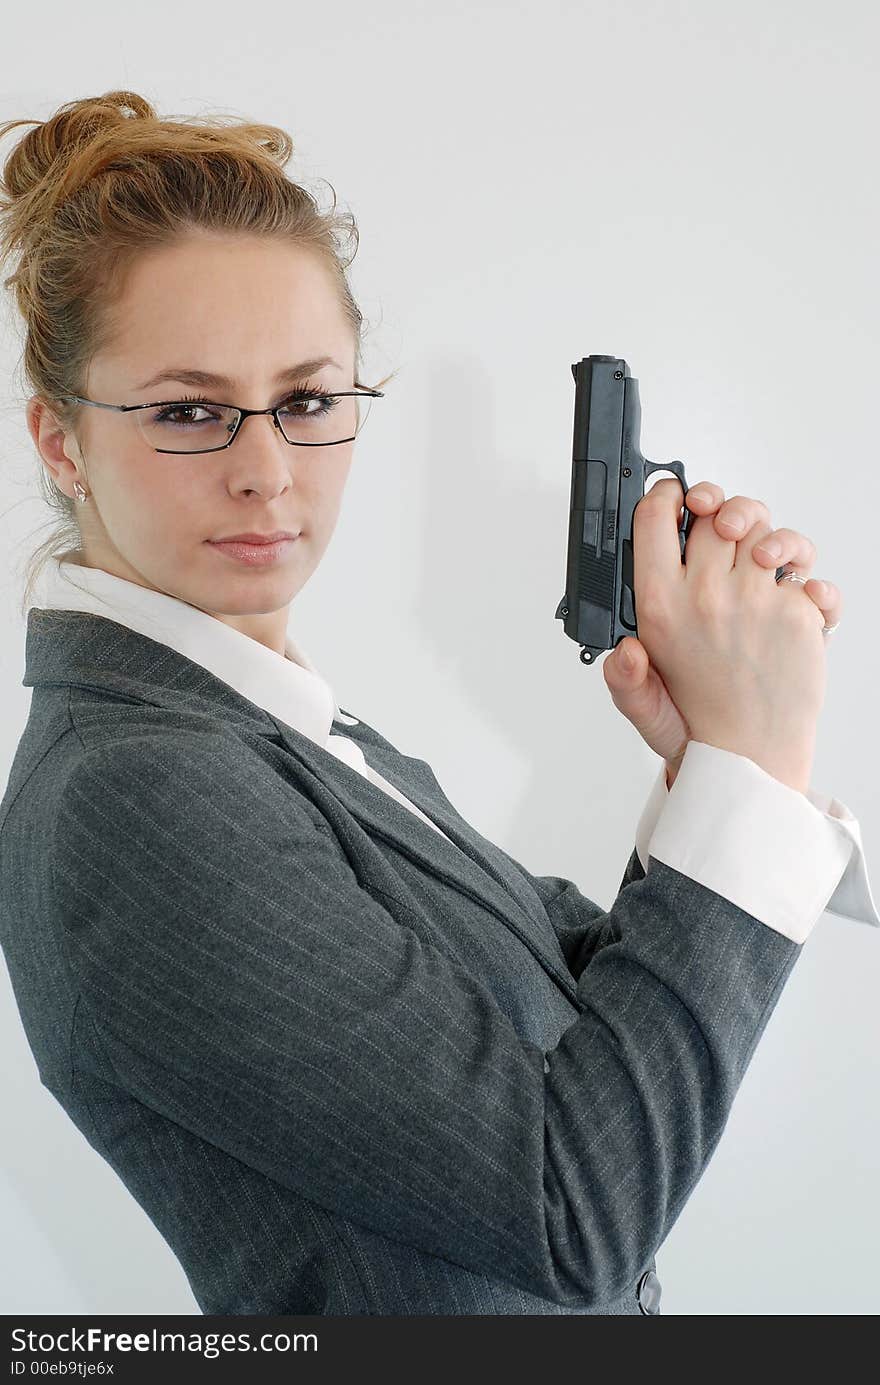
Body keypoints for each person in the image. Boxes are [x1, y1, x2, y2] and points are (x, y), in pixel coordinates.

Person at [0, 90, 876, 1318]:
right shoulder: (136, 791)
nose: (267, 468)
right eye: (188, 410)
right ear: (59, 440)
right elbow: (572, 1203)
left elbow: (570, 1033)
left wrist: (712, 768)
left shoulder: (282, 734)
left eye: (307, 400)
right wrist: (750, 746)